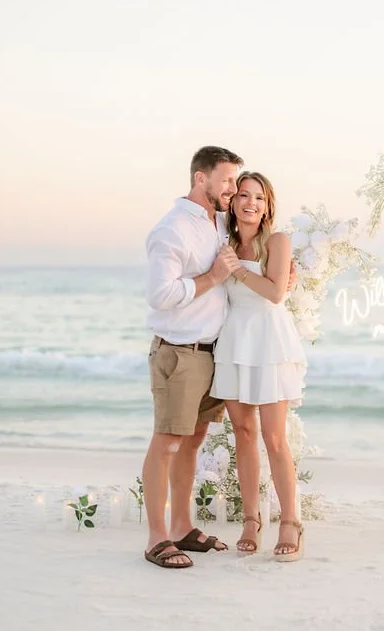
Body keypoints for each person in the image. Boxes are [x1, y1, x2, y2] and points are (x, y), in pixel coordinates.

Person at [141, 145, 244, 569]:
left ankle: (183, 526)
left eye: (236, 180)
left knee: (193, 441)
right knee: (167, 442)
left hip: (212, 353)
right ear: (200, 178)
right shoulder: (171, 231)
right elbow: (161, 296)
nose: (233, 189)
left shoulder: (218, 222)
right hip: (180, 353)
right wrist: (212, 277)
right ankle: (156, 538)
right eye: (226, 180)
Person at [209, 171, 307, 562]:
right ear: (232, 202)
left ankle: (290, 521)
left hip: (269, 343)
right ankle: (251, 520)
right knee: (243, 434)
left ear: (268, 206)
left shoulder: (277, 241)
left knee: (274, 437)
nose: (251, 203)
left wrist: (239, 270)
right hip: (235, 342)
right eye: (244, 196)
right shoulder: (224, 243)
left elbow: (276, 292)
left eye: (260, 198)